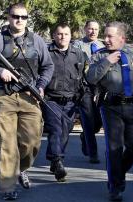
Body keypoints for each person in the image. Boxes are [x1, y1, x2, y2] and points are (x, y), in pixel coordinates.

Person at [0, 3, 54, 200]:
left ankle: (21, 168)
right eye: (15, 16)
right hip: (4, 97)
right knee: (7, 144)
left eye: (23, 17)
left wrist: (41, 85)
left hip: (30, 97)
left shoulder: (36, 41)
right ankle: (7, 187)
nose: (19, 20)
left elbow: (47, 66)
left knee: (32, 142)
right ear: (8, 17)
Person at [86, 22, 133, 201]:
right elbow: (91, 78)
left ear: (122, 39)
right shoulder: (98, 56)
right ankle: (115, 187)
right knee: (114, 148)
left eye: (110, 36)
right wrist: (106, 62)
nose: (106, 39)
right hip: (111, 106)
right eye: (105, 36)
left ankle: (119, 171)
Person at [44, 23, 85, 182]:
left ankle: (54, 158)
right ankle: (58, 161)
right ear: (53, 36)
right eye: (59, 34)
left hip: (71, 100)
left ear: (70, 36)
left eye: (66, 34)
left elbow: (83, 76)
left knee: (65, 132)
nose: (62, 37)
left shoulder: (78, 54)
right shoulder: (46, 52)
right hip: (50, 99)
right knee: (55, 129)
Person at [73, 20, 105, 163]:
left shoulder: (102, 46)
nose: (93, 31)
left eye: (96, 29)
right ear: (85, 29)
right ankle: (93, 153)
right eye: (90, 29)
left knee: (97, 122)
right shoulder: (78, 46)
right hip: (84, 87)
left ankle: (84, 135)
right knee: (87, 119)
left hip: (100, 88)